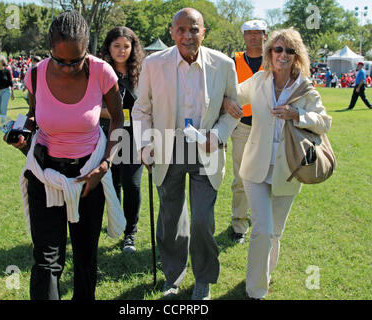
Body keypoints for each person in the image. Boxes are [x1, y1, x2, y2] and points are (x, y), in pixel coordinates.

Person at [8, 10, 124, 300]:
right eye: (60, 61)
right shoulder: (34, 75)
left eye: (77, 60)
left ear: (88, 50)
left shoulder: (102, 72)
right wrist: (23, 133)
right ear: (49, 49)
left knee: (85, 259)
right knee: (47, 261)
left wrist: (105, 165)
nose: (69, 67)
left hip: (88, 177)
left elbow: (118, 122)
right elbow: (34, 117)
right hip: (45, 177)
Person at [132, 8, 240, 300]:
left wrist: (217, 136)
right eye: (181, 30)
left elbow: (234, 110)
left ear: (203, 32)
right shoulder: (154, 64)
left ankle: (203, 278)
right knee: (171, 218)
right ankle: (173, 275)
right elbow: (141, 108)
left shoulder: (223, 64)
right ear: (171, 32)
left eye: (194, 29)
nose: (187, 36)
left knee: (202, 220)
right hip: (167, 148)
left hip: (207, 149)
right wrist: (144, 144)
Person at [223, 28, 332, 299]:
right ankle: (255, 290)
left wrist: (298, 115)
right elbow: (235, 95)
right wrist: (227, 101)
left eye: (289, 51)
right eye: (278, 49)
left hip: (289, 171)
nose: (283, 55)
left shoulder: (305, 88)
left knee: (275, 234)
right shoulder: (260, 80)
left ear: (297, 56)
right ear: (270, 51)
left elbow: (325, 122)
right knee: (262, 229)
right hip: (255, 168)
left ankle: (264, 276)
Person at [99, 26, 145, 253]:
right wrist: (117, 114)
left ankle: (130, 233)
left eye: (126, 46)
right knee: (112, 182)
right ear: (108, 47)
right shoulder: (98, 72)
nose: (121, 51)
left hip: (134, 138)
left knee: (132, 184)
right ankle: (115, 222)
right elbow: (93, 108)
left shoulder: (142, 72)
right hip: (107, 135)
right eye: (116, 45)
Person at [229, 19, 267, 245]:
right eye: (249, 33)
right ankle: (239, 223)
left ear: (265, 35)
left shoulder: (274, 59)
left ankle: (262, 220)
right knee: (241, 177)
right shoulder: (234, 60)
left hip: (268, 126)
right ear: (243, 36)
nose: (253, 37)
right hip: (242, 125)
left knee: (266, 177)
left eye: (258, 33)